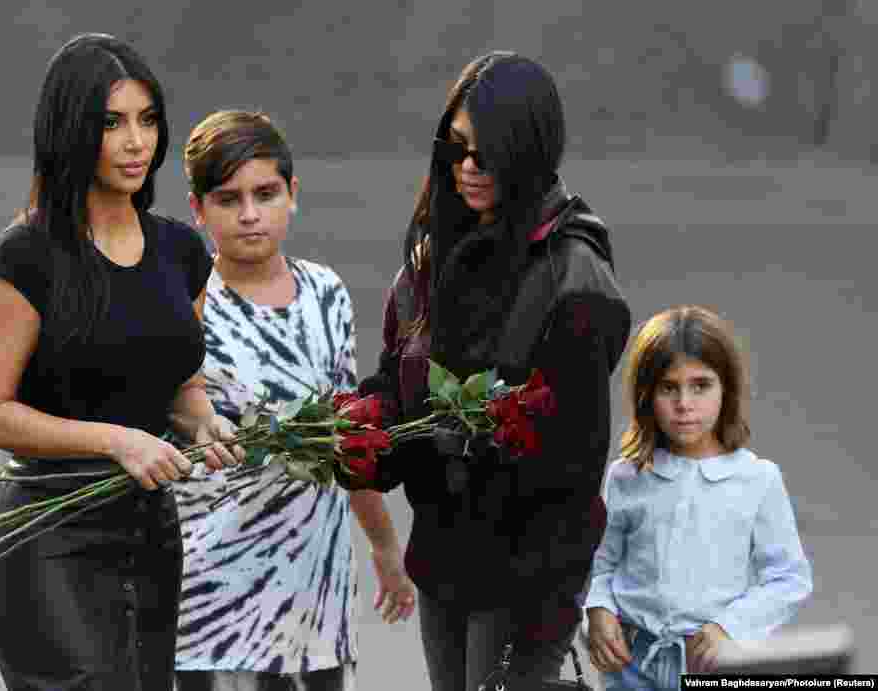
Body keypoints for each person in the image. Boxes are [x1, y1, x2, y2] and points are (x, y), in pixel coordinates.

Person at [0, 33, 242, 690]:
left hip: (146, 530)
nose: (135, 141)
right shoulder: (27, 256)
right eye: (112, 122)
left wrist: (206, 423)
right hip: (40, 533)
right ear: (71, 130)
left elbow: (179, 385)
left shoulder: (179, 252)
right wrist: (117, 440)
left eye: (147, 120)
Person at [354, 52, 632, 691]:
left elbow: (573, 466)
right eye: (455, 150)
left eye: (486, 153)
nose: (467, 168)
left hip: (530, 571)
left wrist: (474, 443)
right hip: (445, 559)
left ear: (530, 151)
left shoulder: (576, 277)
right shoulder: (430, 257)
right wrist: (362, 438)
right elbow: (399, 387)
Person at [173, 110, 416, 691]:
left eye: (266, 193)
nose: (250, 214)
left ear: (293, 193)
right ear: (197, 208)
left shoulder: (326, 295)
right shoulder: (182, 307)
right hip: (213, 598)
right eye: (228, 198)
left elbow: (345, 440)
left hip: (316, 590)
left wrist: (383, 546)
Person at [584, 305, 813, 689]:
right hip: (630, 665)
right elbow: (601, 563)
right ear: (647, 394)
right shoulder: (627, 476)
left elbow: (788, 578)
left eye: (701, 385)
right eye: (668, 387)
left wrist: (729, 626)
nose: (684, 404)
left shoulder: (757, 479)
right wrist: (599, 609)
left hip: (714, 664)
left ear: (726, 388)